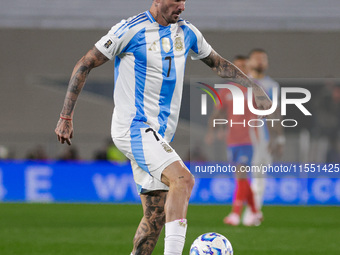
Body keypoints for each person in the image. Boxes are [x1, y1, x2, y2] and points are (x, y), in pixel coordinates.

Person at [55, 1, 272, 254]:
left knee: (156, 215)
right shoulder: (130, 30)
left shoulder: (187, 32)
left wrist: (253, 87)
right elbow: (85, 63)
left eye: (184, 1)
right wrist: (65, 116)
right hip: (133, 126)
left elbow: (217, 63)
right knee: (184, 180)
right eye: (175, 0)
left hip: (158, 134)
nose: (181, 7)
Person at [205, 55, 262, 226]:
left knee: (241, 174)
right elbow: (218, 113)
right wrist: (213, 131)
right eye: (236, 66)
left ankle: (235, 214)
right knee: (241, 178)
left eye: (243, 66)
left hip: (249, 139)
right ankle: (255, 211)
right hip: (232, 141)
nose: (239, 70)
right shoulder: (226, 91)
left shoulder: (254, 89)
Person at [242, 49, 285, 225]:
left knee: (259, 176)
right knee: (242, 175)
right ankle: (240, 211)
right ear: (249, 62)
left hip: (263, 136)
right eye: (257, 59)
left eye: (263, 59)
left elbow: (276, 113)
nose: (260, 62)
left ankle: (252, 213)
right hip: (243, 136)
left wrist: (279, 138)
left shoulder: (272, 85)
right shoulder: (242, 82)